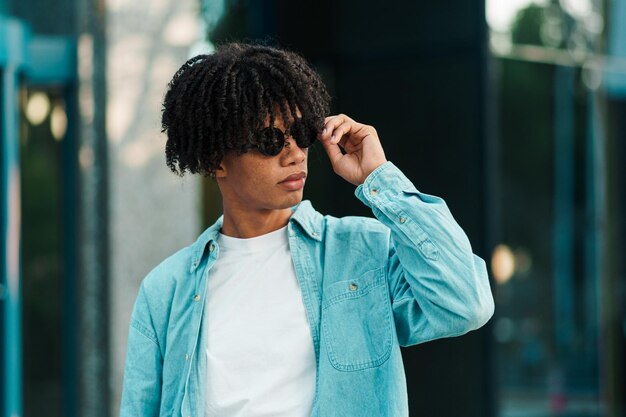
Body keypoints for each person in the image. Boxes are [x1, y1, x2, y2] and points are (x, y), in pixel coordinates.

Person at [120, 42, 495, 417]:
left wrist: (380, 179)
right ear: (216, 159)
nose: (296, 154)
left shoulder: (361, 253)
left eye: (300, 134)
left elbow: (466, 303)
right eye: (270, 140)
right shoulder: (167, 290)